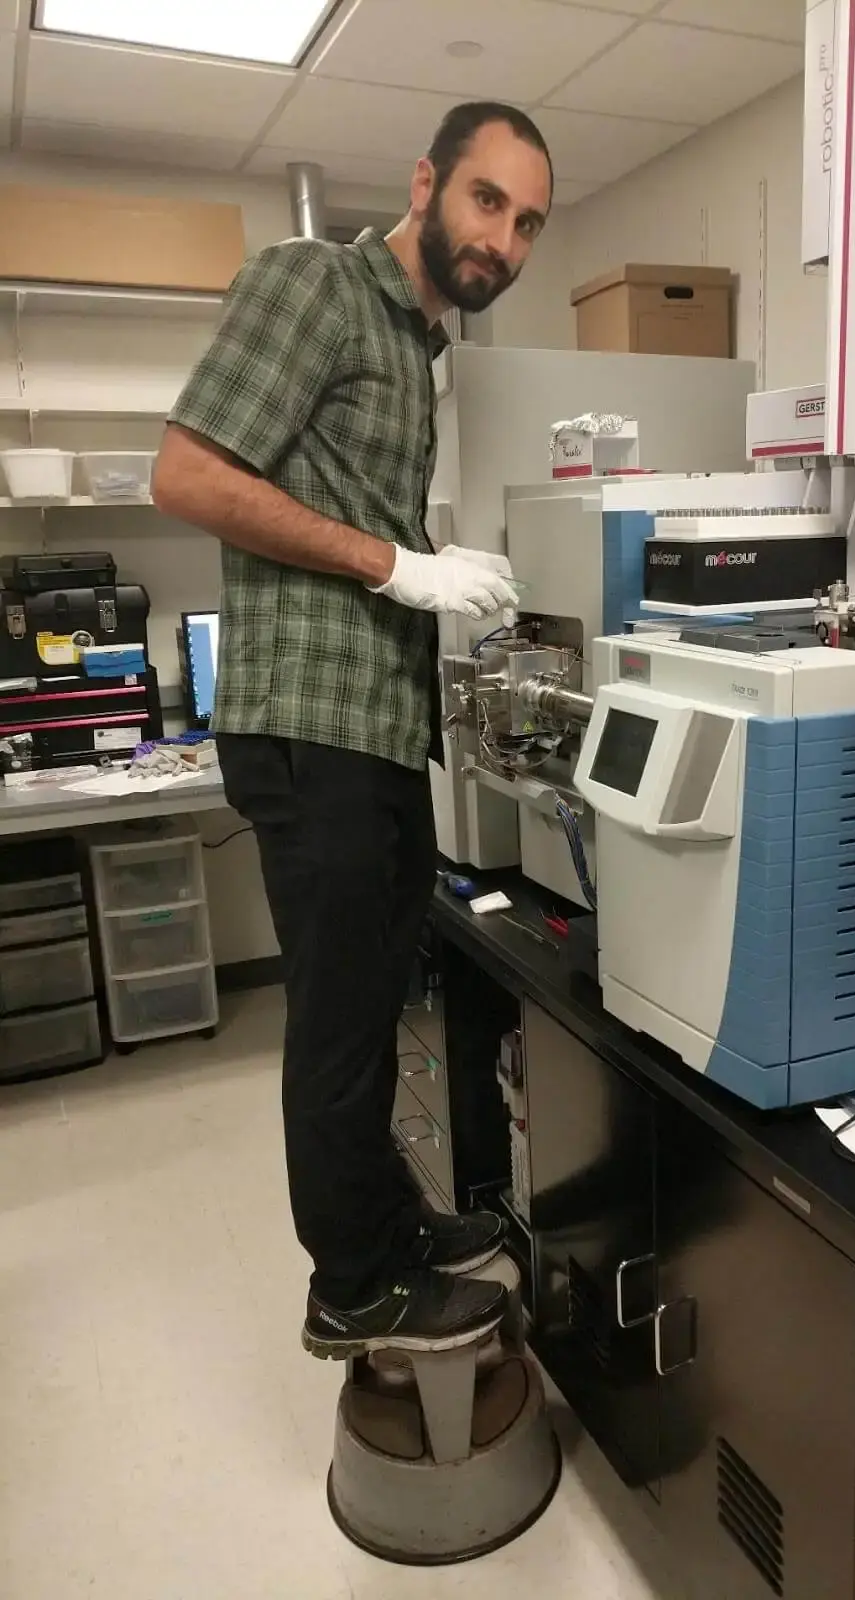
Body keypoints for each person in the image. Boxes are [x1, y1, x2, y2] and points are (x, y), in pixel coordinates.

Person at [151, 103, 554, 1359]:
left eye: (528, 222)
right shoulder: (315, 284)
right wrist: (398, 565)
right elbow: (188, 475)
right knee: (337, 1020)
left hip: (374, 728)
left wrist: (425, 573)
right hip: (309, 721)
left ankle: (386, 1222)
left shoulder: (414, 346)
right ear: (426, 183)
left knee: (375, 1005)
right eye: (487, 200)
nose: (504, 238)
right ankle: (354, 1287)